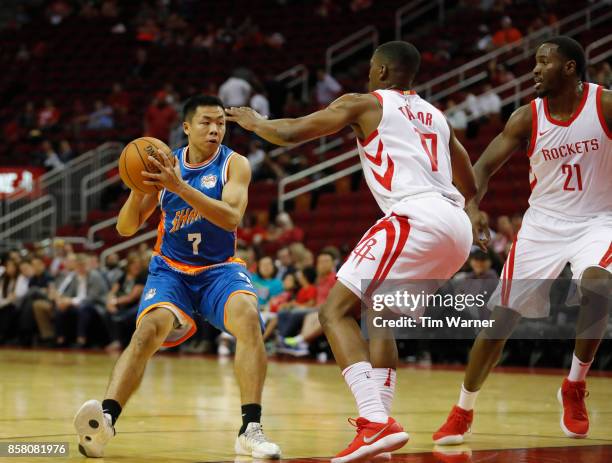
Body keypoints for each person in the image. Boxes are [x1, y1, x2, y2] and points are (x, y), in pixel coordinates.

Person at [226, 40, 477, 462]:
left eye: (370, 69)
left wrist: (254, 122)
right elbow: (468, 179)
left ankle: (375, 423)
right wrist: (476, 215)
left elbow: (290, 133)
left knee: (333, 312)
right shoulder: (436, 116)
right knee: (379, 315)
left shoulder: (365, 103)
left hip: (416, 217)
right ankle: (380, 427)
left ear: (380, 72)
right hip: (457, 227)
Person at [73, 95, 280, 459]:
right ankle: (105, 421)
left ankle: (251, 428)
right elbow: (125, 227)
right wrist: (140, 187)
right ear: (186, 127)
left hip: (219, 270)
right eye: (206, 122)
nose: (215, 128)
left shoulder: (236, 165)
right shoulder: (164, 165)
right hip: (171, 270)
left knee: (249, 318)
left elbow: (231, 217)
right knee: (145, 332)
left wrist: (180, 186)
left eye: (221, 122)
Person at [433, 36, 611, 444]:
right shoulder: (525, 118)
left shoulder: (603, 105)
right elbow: (482, 166)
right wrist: (472, 206)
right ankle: (462, 410)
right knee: (501, 320)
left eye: (543, 62)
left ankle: (574, 383)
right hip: (542, 225)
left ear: (569, 68)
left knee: (599, 284)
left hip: (598, 221)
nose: (534, 69)